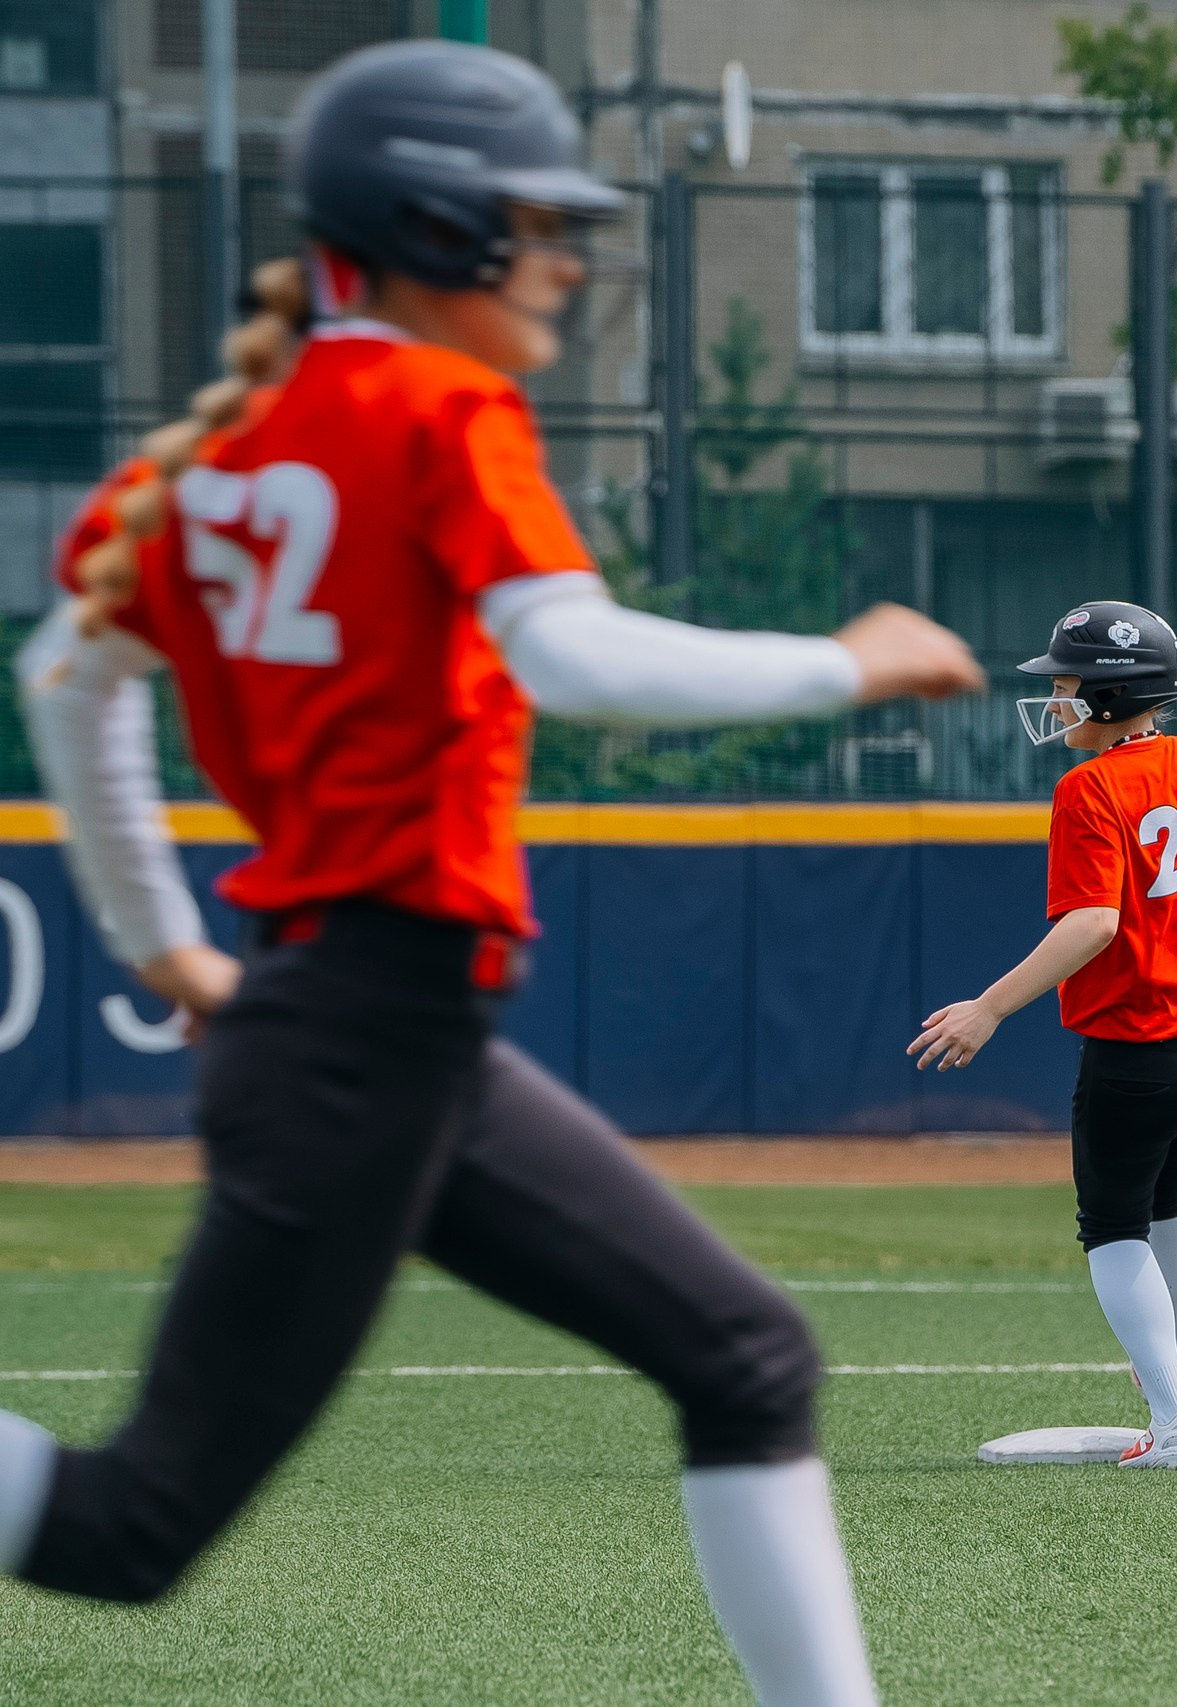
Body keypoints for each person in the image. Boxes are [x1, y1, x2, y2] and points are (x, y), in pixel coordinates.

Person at [0, 42, 983, 1707]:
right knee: (128, 1524)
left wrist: (167, 947)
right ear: (433, 225)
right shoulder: (441, 405)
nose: (563, 257)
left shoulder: (211, 456)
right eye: (535, 222)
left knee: (747, 1358)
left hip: (374, 1034)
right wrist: (845, 662)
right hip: (364, 1036)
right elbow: (576, 657)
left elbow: (62, 679)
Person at [908, 602, 1177, 1471]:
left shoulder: (1089, 786)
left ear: (1111, 692)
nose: (1058, 698)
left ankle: (1174, 1426)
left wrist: (989, 1005)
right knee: (1170, 1192)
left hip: (1144, 1052)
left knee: (1112, 1228)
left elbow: (1094, 924)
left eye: (1067, 684)